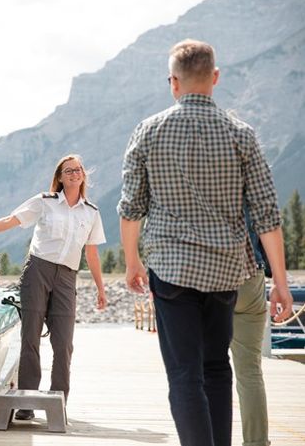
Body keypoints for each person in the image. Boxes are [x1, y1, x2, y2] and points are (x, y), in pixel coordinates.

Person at [117, 39, 293, 446]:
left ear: (173, 83)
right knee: (217, 368)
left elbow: (131, 208)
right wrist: (280, 283)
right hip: (226, 271)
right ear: (215, 77)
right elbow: (267, 214)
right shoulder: (241, 134)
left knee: (184, 374)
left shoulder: (149, 131)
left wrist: (131, 262)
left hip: (172, 270)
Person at [0, 154, 107, 420]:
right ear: (60, 177)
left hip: (67, 277)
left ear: (83, 175)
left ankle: (58, 402)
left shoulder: (91, 212)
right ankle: (26, 404)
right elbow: (12, 220)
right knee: (31, 338)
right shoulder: (45, 202)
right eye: (68, 170)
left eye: (78, 169)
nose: (74, 173)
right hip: (38, 269)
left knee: (64, 343)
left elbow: (92, 253)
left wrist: (100, 289)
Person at [231, 221, 272, 446]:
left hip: (205, 279)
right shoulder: (250, 184)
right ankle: (257, 442)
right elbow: (270, 226)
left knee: (206, 370)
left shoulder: (194, 185)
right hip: (250, 278)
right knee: (250, 372)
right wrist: (280, 284)